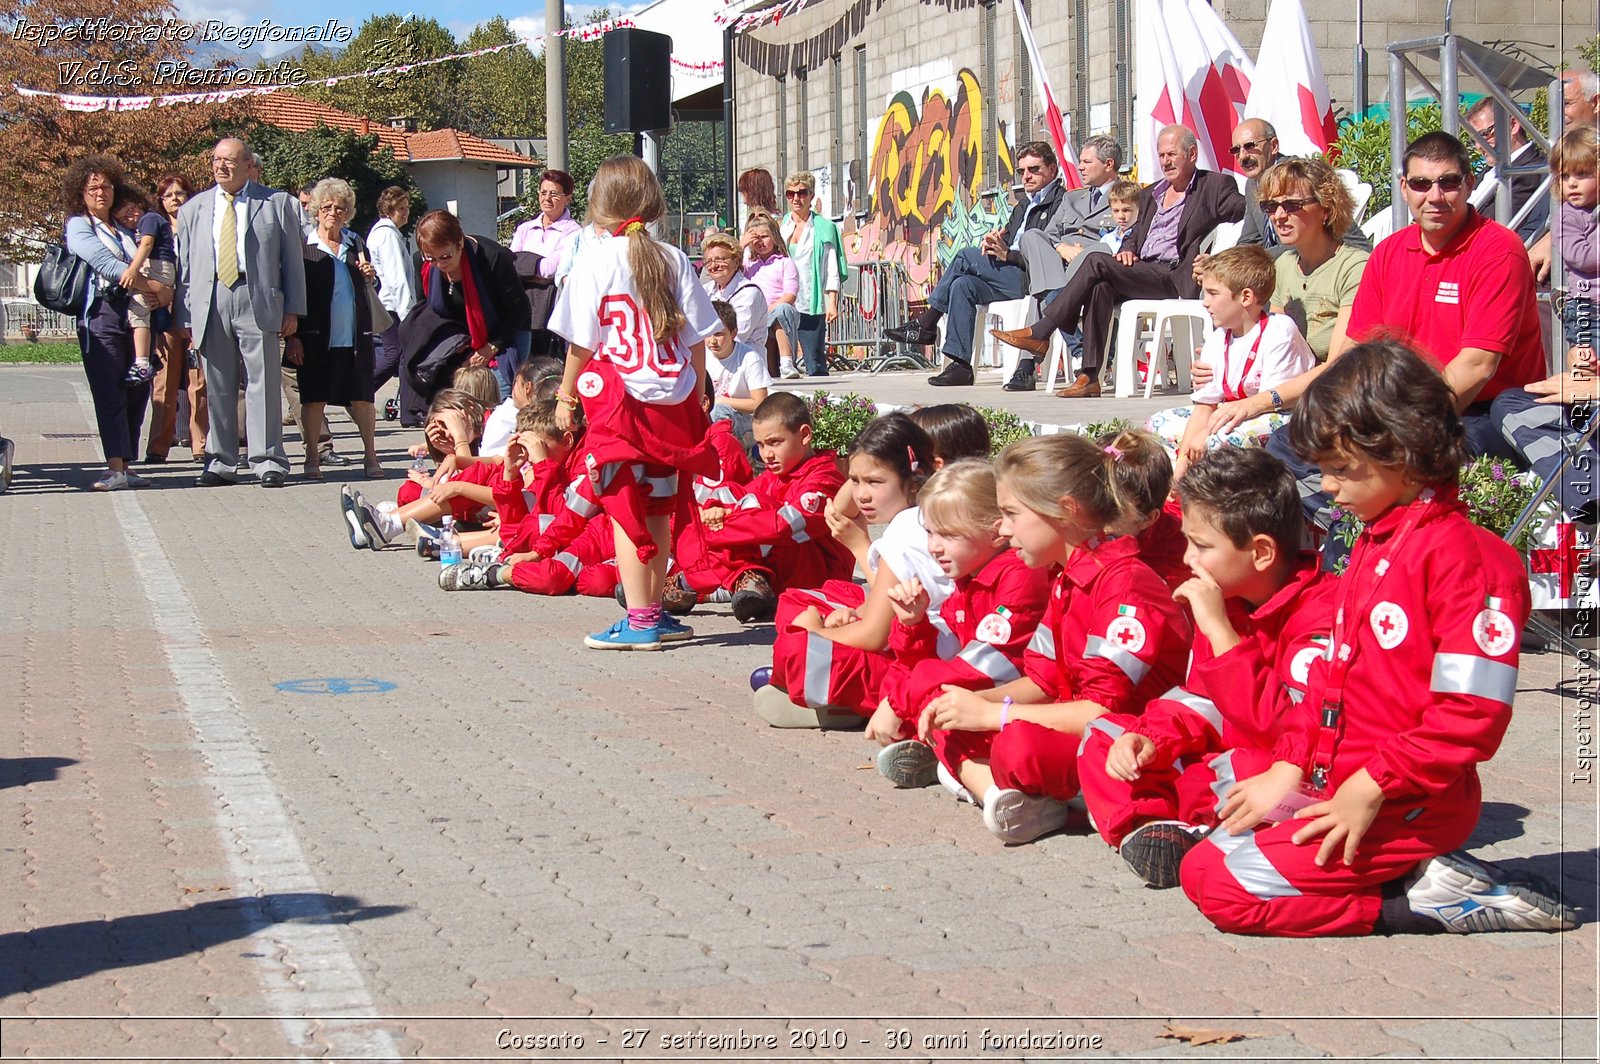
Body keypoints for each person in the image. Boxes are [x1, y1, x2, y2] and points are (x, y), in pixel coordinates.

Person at [1179, 340, 1576, 937]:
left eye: (1342, 469)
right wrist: (1288, 770)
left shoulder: (1472, 561)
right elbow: (1329, 686)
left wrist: (1372, 786)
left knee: (1227, 891)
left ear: (1404, 450)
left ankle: (1423, 900)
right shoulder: (1374, 542)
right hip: (1344, 778)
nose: (1329, 486)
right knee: (1204, 862)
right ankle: (1421, 878)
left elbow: (1470, 714)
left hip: (1406, 800)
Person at [1263, 131, 1544, 564]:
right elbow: (1355, 354)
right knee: (1285, 445)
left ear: (1470, 185)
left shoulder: (1498, 250)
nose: (1435, 196)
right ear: (1403, 187)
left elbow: (1477, 367)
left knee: (1375, 464)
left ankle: (1363, 548)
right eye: (1421, 184)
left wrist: (1397, 430)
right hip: (1397, 407)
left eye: (1448, 183)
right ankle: (1357, 528)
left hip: (1474, 412)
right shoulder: (1391, 251)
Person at [1076, 447, 1335, 887]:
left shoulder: (1320, 616)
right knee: (1104, 739)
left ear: (1261, 552)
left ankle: (1192, 832)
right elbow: (1198, 699)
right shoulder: (1227, 596)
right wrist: (1150, 738)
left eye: (1201, 546)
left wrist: (1220, 632)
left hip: (1279, 771)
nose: (1188, 558)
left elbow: (1289, 731)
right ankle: (1153, 833)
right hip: (1220, 761)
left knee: (1239, 771)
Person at [920, 433, 1191, 844]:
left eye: (1012, 513)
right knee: (945, 709)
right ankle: (1023, 797)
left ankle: (1052, 798)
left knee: (1018, 745)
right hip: (1079, 732)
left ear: (1064, 510)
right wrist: (961, 703)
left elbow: (1101, 711)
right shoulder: (1068, 574)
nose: (1004, 529)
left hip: (1131, 747)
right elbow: (1044, 682)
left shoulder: (1124, 586)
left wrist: (993, 715)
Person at [545, 154, 723, 651]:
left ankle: (641, 618)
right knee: (659, 509)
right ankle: (656, 609)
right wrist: (698, 393)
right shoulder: (673, 257)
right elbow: (696, 339)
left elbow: (581, 343)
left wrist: (564, 396)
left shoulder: (594, 261)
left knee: (624, 505)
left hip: (620, 405)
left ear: (599, 205)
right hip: (672, 398)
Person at [992, 125, 1246, 398]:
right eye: (1161, 155)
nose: (1165, 162)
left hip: (1173, 274)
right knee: (1100, 286)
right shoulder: (1152, 193)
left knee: (1096, 261)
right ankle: (1089, 376)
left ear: (1192, 154)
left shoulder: (1215, 185)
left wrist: (1218, 259)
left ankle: (1042, 331)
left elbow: (1246, 213)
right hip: (1141, 269)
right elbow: (1134, 234)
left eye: (1172, 154)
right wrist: (1127, 249)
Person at [871, 460, 1051, 787]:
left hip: (1026, 703)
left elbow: (983, 666)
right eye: (929, 532)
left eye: (949, 535)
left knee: (936, 703)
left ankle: (984, 786)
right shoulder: (969, 578)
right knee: (903, 681)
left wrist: (899, 701)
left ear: (996, 531)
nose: (934, 547)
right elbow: (939, 656)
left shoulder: (1020, 575)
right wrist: (914, 623)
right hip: (994, 696)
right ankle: (940, 754)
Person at [753, 413, 941, 728]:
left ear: (913, 479)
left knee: (797, 641)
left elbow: (873, 635)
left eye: (875, 482)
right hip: (909, 638)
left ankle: (843, 700)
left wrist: (815, 634)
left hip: (919, 662)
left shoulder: (905, 534)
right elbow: (840, 509)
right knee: (802, 601)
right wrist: (854, 613)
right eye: (855, 480)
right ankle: (812, 680)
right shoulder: (917, 514)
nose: (862, 494)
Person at [174, 136, 306, 489]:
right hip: (212, 296)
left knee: (263, 382)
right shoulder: (193, 209)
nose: (222, 166)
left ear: (249, 165)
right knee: (217, 383)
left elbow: (292, 261)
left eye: (230, 160)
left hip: (258, 296)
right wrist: (185, 316)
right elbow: (185, 268)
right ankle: (220, 461)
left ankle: (268, 460)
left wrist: (293, 308)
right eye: (217, 160)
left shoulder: (276, 203)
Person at [888, 142, 1066, 387]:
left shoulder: (1061, 203)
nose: (1026, 176)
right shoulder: (1024, 205)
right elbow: (1009, 239)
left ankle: (927, 323)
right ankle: (960, 365)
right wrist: (995, 242)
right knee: (962, 285)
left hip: (1031, 277)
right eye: (1021, 171)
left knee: (964, 256)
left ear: (1053, 170)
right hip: (1008, 275)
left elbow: (1048, 252)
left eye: (1034, 169)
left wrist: (1008, 255)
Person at [1491, 125, 1600, 524]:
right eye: (1565, 177)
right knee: (1524, 401)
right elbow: (1582, 256)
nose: (1572, 185)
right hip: (1586, 312)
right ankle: (1586, 496)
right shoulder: (1568, 217)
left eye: (1582, 175)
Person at [676, 391, 850, 623]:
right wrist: (714, 511)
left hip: (819, 577)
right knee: (728, 493)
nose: (766, 454)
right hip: (784, 569)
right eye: (759, 445)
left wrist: (713, 528)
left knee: (753, 513)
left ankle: (691, 583)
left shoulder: (824, 478)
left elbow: (785, 526)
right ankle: (738, 581)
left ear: (805, 435)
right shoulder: (772, 477)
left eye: (775, 443)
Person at [1148, 245, 1315, 479]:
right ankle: (1182, 482)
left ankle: (1223, 489)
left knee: (1220, 439)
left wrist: (1205, 434)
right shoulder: (1217, 339)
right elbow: (1205, 406)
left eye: (1213, 293)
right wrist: (1183, 463)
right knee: (1157, 424)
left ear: (1246, 297)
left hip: (1283, 416)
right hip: (1230, 414)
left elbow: (1270, 402)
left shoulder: (1280, 331)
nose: (1205, 302)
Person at [63, 154, 164, 490]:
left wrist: (160, 291)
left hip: (136, 314)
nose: (101, 192)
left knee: (138, 387)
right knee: (109, 392)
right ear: (80, 191)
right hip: (101, 313)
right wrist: (160, 289)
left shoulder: (123, 227)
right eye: (93, 187)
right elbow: (106, 264)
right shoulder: (78, 225)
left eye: (106, 186)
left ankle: (129, 464)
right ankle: (114, 465)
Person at [1004, 137, 1125, 392]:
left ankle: (1027, 368)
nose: (1080, 167)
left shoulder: (1127, 196)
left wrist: (1082, 252)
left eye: (1086, 162)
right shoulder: (1073, 198)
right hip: (1060, 263)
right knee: (1031, 237)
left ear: (1109, 164)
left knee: (1042, 292)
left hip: (1094, 266)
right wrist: (1063, 248)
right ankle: (1078, 347)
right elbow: (1049, 235)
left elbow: (1124, 238)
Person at [283, 178, 383, 481]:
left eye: (340, 208)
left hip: (355, 337)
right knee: (313, 398)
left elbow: (370, 288)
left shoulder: (356, 244)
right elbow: (293, 294)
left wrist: (371, 276)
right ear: (315, 210)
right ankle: (312, 458)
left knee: (363, 398)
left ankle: (371, 457)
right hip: (315, 337)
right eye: (327, 207)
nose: (333, 213)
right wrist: (294, 337)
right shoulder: (303, 248)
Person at [414, 210, 531, 401]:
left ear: (460, 243)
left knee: (498, 396)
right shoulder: (422, 264)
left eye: (445, 257)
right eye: (431, 258)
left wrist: (490, 348)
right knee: (458, 398)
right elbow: (426, 312)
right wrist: (454, 343)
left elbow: (517, 310)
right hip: (460, 337)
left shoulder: (493, 258)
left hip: (507, 330)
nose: (439, 265)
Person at [1230, 119, 1369, 259]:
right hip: (1281, 266)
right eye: (1236, 150)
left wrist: (1253, 259)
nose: (1243, 156)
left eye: (1250, 146)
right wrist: (1224, 260)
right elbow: (1249, 240)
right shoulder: (1252, 185)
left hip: (1332, 264)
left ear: (1273, 146)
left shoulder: (1301, 178)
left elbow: (1300, 242)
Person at [142, 172, 206, 464]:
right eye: (168, 195)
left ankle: (200, 444)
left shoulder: (200, 226)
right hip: (165, 314)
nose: (174, 199)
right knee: (164, 382)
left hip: (195, 313)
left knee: (198, 382)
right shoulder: (156, 231)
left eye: (180, 193)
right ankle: (158, 446)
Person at [509, 169, 581, 365]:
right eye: (543, 192)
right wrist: (536, 272)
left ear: (567, 198)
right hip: (520, 309)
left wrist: (525, 267)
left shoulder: (574, 232)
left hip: (549, 314)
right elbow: (509, 264)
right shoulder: (525, 228)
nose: (547, 198)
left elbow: (550, 270)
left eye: (554, 194)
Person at [779, 171, 845, 377]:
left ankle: (821, 402)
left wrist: (832, 302)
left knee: (814, 360)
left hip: (811, 301)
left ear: (811, 195)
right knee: (781, 364)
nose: (796, 198)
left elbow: (831, 267)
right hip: (784, 302)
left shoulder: (824, 228)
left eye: (801, 193)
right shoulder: (782, 227)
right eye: (791, 194)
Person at [1464, 97, 1550, 244]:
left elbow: (1493, 224)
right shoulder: (1490, 170)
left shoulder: (1532, 170)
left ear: (1513, 125)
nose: (1478, 145)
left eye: (1484, 134)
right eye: (1474, 139)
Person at [368, 185, 418, 412]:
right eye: (400, 208)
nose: (405, 212)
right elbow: (396, 276)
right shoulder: (387, 235)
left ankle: (406, 406)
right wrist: (409, 312)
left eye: (407, 207)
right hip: (391, 306)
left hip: (390, 305)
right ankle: (360, 393)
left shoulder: (389, 233)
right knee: (395, 354)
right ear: (389, 210)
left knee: (399, 355)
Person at [112, 185, 165, 386]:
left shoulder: (149, 219)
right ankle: (150, 356)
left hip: (157, 268)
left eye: (132, 210)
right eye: (125, 218)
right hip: (155, 269)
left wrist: (133, 270)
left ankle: (143, 363)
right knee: (150, 308)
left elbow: (147, 245)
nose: (132, 218)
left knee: (139, 308)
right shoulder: (142, 223)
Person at [702, 300, 771, 453]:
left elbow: (759, 403)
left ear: (733, 333)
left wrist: (723, 401)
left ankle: (722, 457)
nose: (712, 341)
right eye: (708, 334)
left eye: (719, 334)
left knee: (719, 410)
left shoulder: (749, 357)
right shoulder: (701, 355)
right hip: (709, 417)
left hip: (745, 422)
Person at [742, 212, 802, 379]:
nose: (760, 242)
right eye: (756, 238)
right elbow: (732, 272)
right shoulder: (747, 264)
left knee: (781, 310)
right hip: (755, 317)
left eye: (765, 236)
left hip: (778, 313)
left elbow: (790, 295)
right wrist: (742, 246)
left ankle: (787, 362)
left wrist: (768, 311)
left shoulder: (785, 263)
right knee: (769, 372)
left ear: (774, 237)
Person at [699, 233, 768, 351]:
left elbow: (736, 338)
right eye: (709, 262)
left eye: (720, 259)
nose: (714, 266)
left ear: (736, 262)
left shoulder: (749, 293)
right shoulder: (706, 290)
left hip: (744, 363)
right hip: (711, 360)